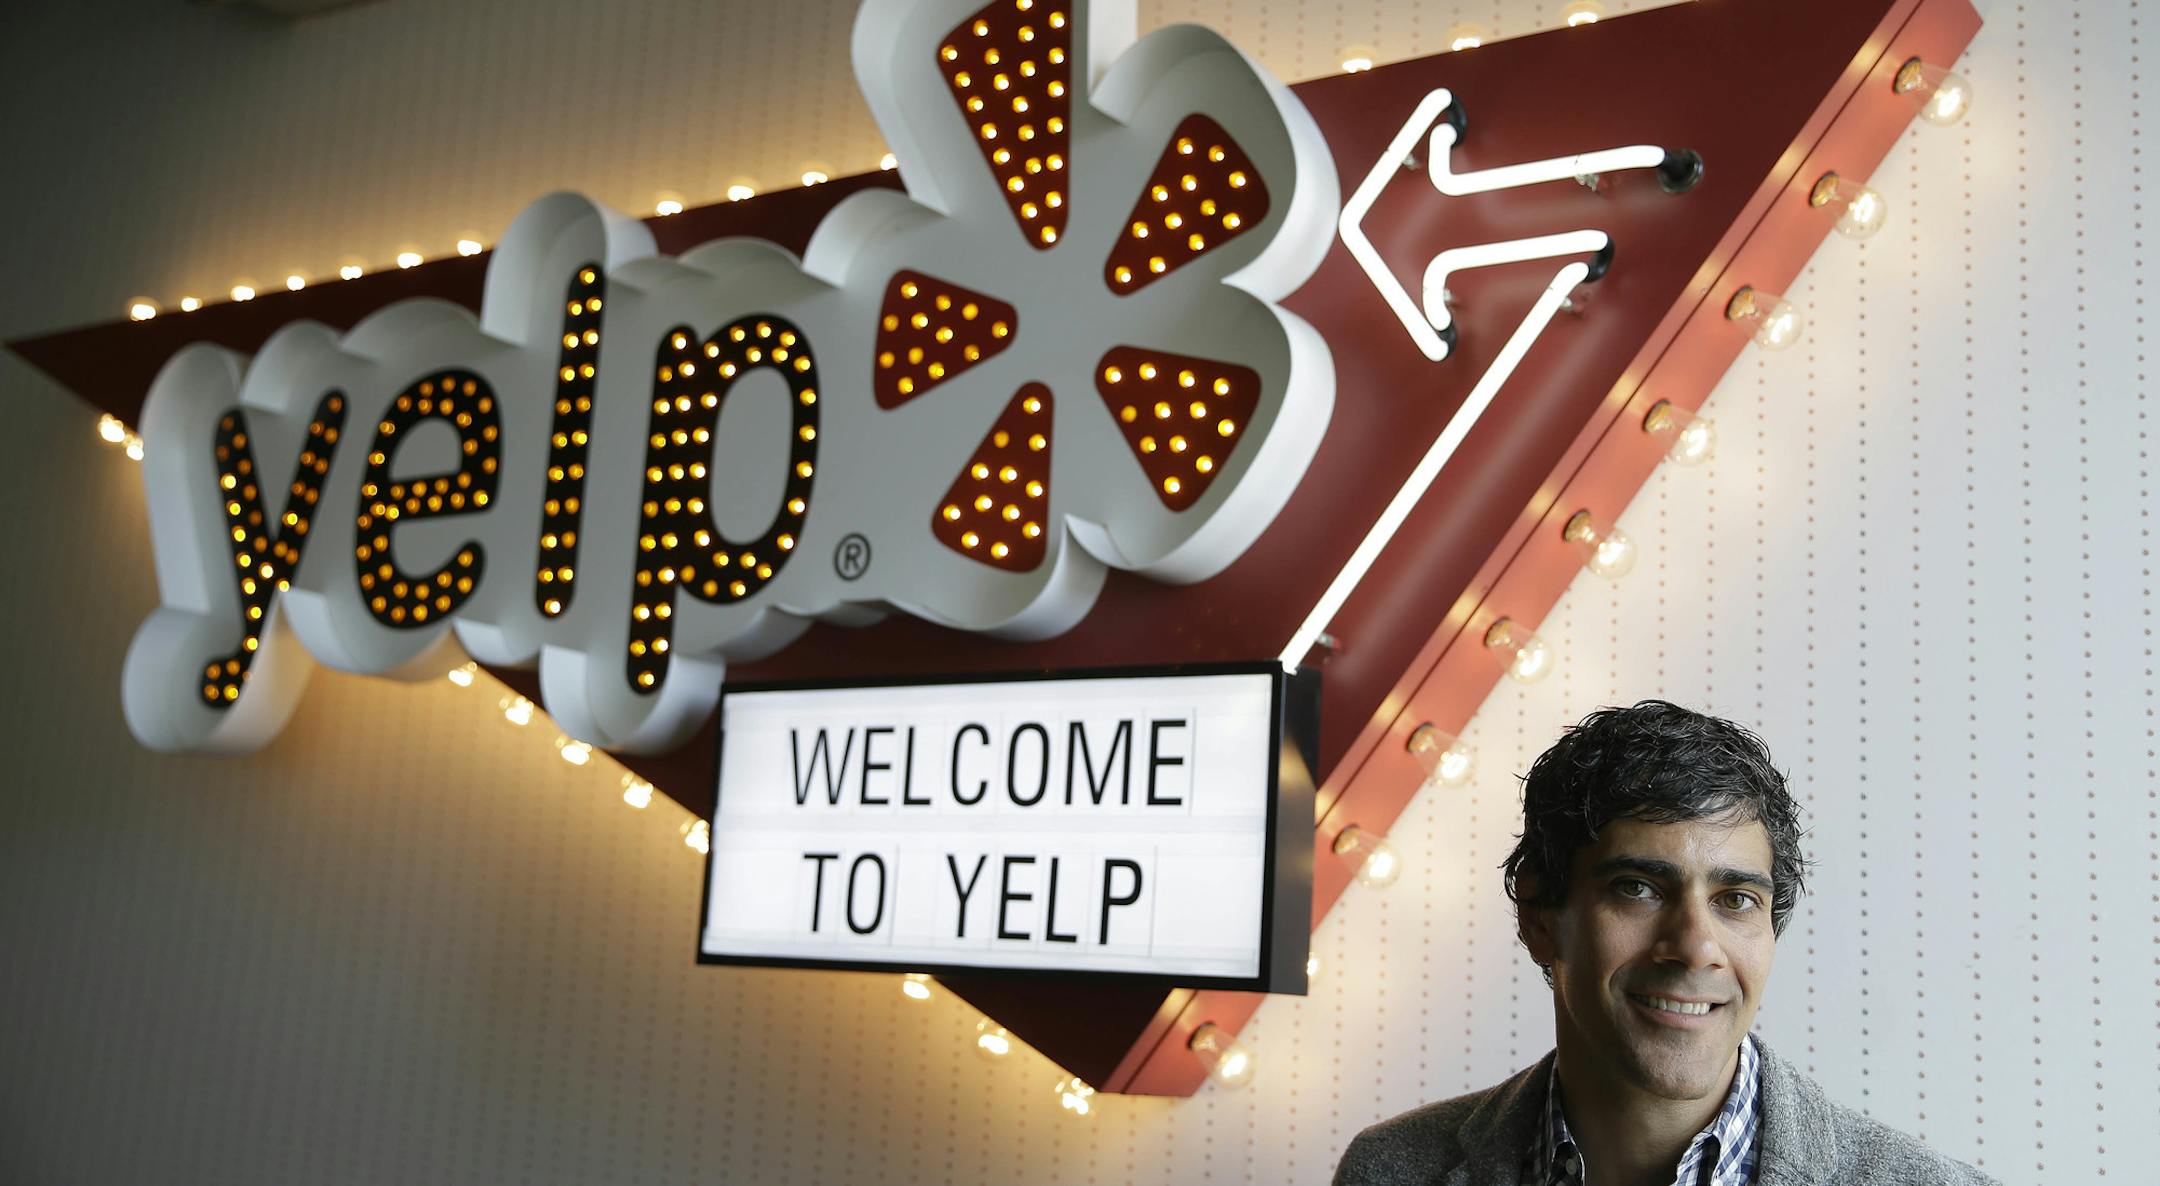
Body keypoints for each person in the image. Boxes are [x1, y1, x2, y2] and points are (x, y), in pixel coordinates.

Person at [1333, 700, 1997, 1186]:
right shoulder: (1390, 1172)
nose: (1695, 948)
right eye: (1638, 889)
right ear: (1539, 914)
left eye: (1736, 901)